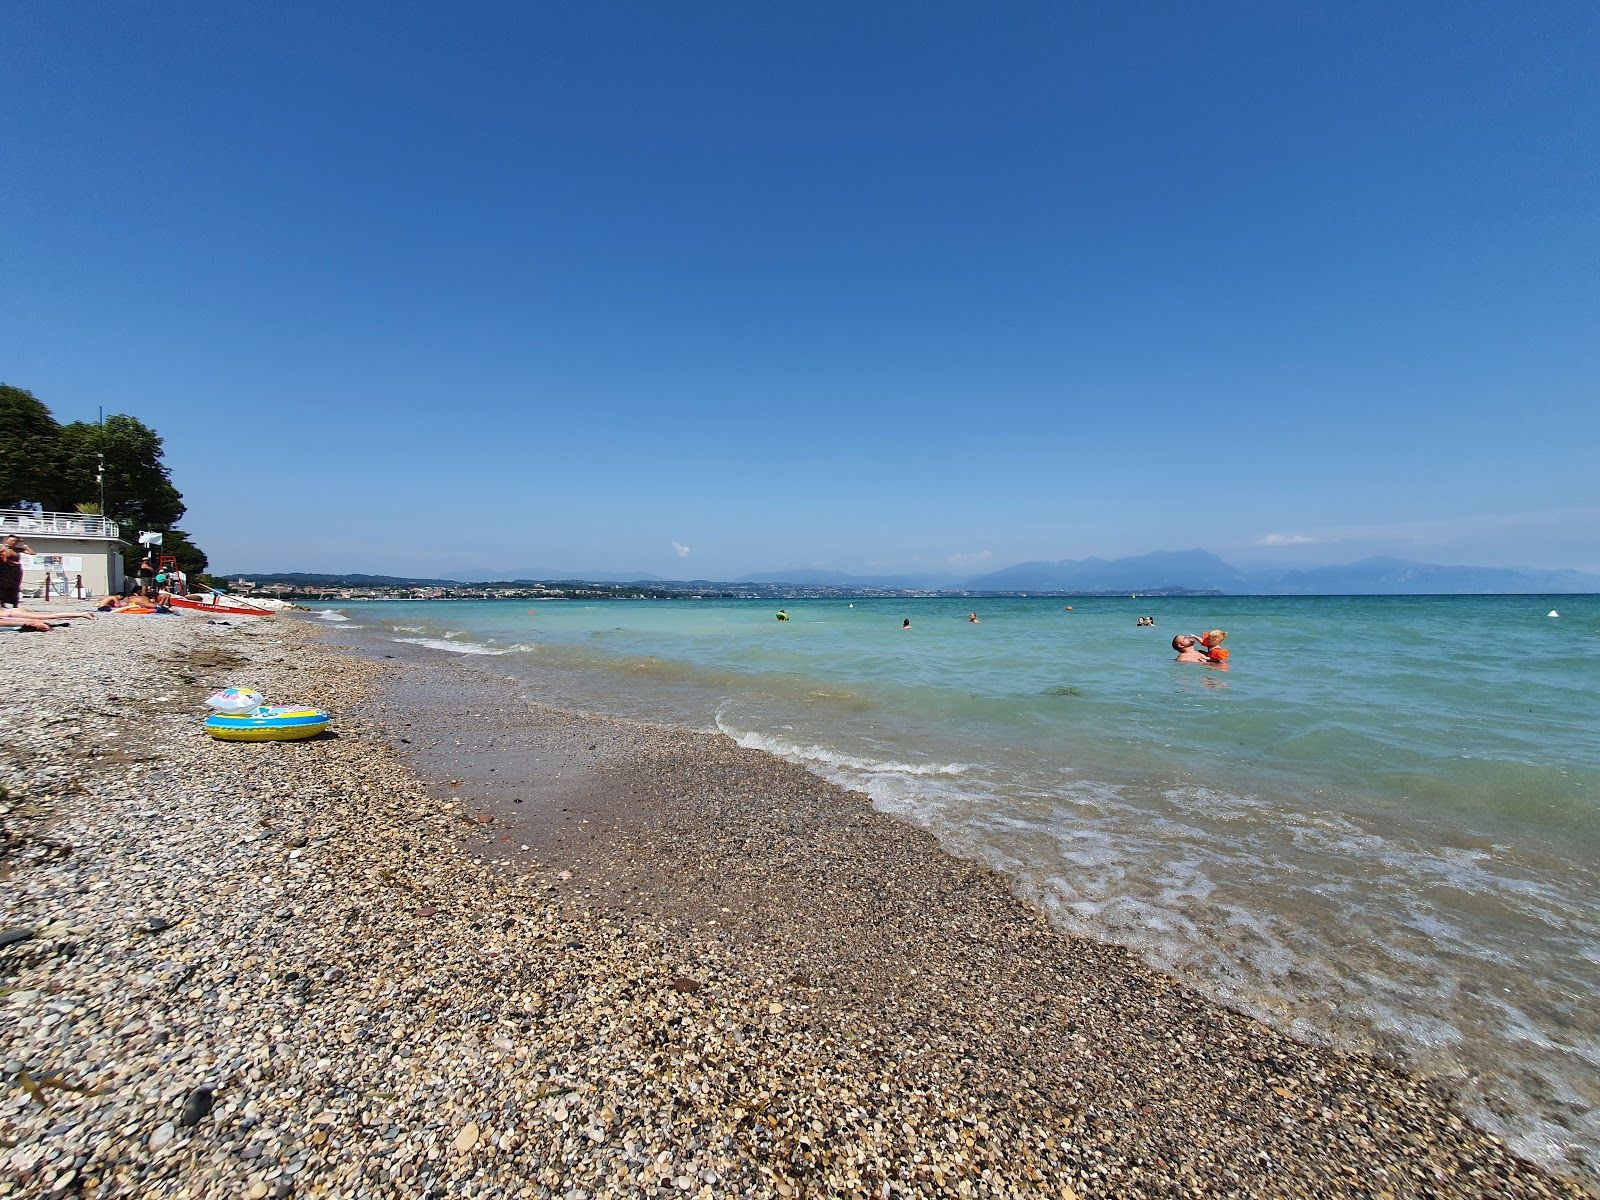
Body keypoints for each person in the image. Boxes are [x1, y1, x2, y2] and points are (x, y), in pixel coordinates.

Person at [0, 534, 34, 608]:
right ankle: (2, 603)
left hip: (16, 570)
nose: (13, 542)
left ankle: (15, 604)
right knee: (3, 586)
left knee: (15, 587)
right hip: (5, 569)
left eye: (15, 541)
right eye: (11, 541)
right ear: (6, 541)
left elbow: (32, 553)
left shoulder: (17, 549)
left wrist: (24, 545)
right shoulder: (2, 547)